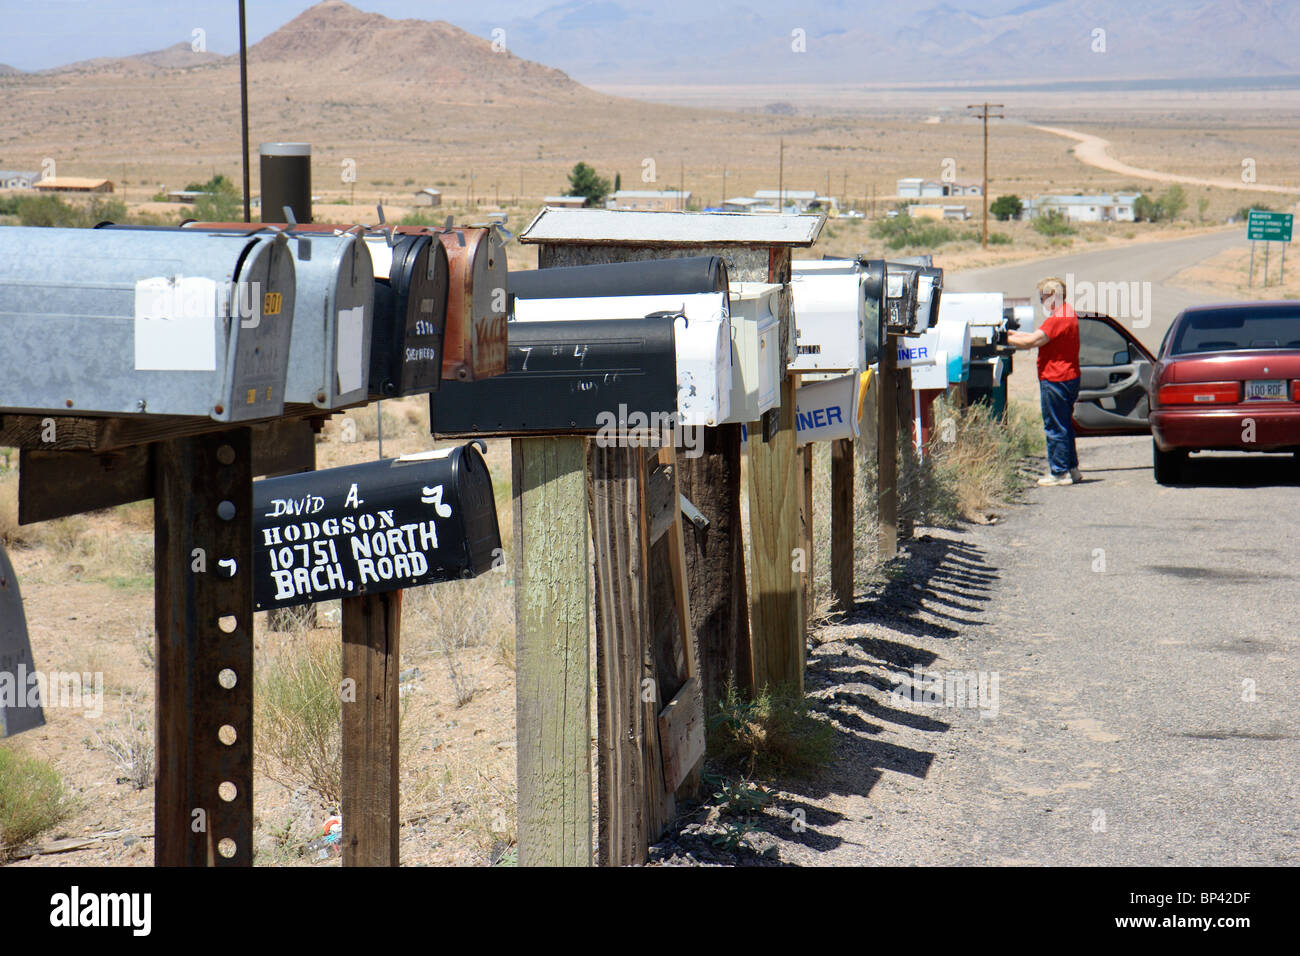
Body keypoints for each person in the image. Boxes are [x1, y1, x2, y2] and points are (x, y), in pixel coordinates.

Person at [1006, 276, 1082, 486]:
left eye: (1042, 297)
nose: (1041, 302)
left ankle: (1059, 472)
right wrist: (1016, 335)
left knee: (1054, 426)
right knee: (1064, 424)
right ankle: (1071, 468)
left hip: (1056, 378)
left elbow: (1033, 341)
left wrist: (1000, 339)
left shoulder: (1058, 317)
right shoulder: (1067, 313)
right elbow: (1039, 337)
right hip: (1068, 376)